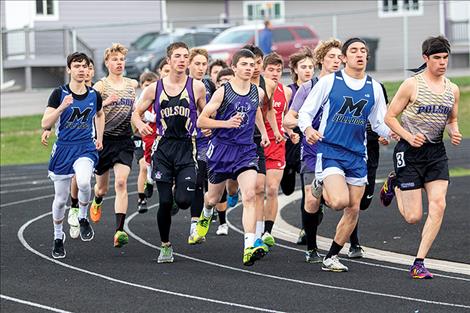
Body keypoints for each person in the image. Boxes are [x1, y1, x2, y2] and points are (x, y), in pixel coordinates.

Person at [298, 38, 393, 272]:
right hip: (330, 150)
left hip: (357, 155)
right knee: (339, 201)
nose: (359, 54)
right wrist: (308, 129)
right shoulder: (329, 82)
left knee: (353, 208)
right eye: (353, 50)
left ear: (367, 57)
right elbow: (305, 113)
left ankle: (331, 256)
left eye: (363, 51)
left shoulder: (375, 87)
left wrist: (392, 133)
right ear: (344, 57)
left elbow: (379, 122)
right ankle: (319, 182)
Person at [382, 36, 461, 279]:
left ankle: (419, 262)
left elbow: (452, 119)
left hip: (436, 153)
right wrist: (407, 135)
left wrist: (455, 131)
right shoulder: (411, 85)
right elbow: (390, 117)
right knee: (413, 217)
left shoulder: (452, 89)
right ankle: (394, 184)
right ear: (425, 58)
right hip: (409, 152)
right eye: (437, 58)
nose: (442, 63)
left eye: (445, 58)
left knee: (439, 204)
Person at [132, 42, 206, 263]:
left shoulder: (197, 87)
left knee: (183, 201)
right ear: (169, 60)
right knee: (164, 202)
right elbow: (136, 113)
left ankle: (179, 198)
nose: (182, 60)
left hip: (186, 147)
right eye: (178, 56)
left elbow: (206, 112)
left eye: (185, 56)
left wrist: (210, 125)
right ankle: (165, 246)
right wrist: (141, 125)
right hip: (163, 148)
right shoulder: (154, 88)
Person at [196, 48, 270, 266]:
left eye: (252, 65)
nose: (249, 69)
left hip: (246, 150)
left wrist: (264, 132)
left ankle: (249, 246)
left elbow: (256, 110)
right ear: (235, 67)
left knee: (249, 195)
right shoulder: (223, 92)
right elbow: (202, 121)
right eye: (244, 65)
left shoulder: (258, 92)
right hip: (221, 149)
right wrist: (225, 123)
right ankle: (206, 212)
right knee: (212, 197)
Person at [41, 52, 105, 258]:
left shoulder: (94, 95)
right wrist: (62, 107)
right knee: (60, 200)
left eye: (85, 66)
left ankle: (83, 217)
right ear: (69, 69)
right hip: (63, 149)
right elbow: (45, 123)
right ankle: (58, 237)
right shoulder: (58, 93)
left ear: (89, 70)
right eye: (77, 66)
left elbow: (100, 114)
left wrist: (100, 137)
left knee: (85, 182)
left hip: (85, 147)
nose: (81, 70)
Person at [284, 39, 342, 263]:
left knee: (339, 201)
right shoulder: (309, 87)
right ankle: (311, 248)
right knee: (310, 201)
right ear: (321, 60)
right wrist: (307, 128)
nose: (336, 62)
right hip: (311, 152)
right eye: (331, 57)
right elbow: (289, 119)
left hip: (338, 151)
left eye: (340, 58)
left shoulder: (347, 85)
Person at [90, 43, 138, 248]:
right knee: (102, 189)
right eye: (115, 60)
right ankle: (97, 200)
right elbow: (89, 109)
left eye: (121, 60)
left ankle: (119, 231)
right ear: (107, 63)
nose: (119, 63)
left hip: (124, 141)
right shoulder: (100, 86)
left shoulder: (131, 85)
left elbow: (136, 110)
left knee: (121, 182)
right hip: (104, 141)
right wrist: (105, 102)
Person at [261, 52, 298, 248]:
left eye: (278, 70)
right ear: (263, 71)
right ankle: (256, 229)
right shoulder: (256, 90)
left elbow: (284, 119)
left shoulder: (286, 92)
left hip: (277, 145)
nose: (275, 73)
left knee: (273, 189)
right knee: (258, 191)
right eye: (271, 70)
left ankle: (267, 231)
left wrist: (290, 131)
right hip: (257, 144)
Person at [282, 46, 315, 245]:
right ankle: (286, 171)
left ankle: (305, 229)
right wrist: (288, 131)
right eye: (303, 67)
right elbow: (283, 117)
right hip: (290, 140)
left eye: (311, 66)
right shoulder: (289, 91)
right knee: (287, 187)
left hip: (308, 142)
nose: (308, 70)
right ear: (295, 69)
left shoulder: (317, 87)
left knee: (307, 188)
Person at [134, 71, 159, 214]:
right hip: (140, 137)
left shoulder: (158, 100)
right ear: (142, 86)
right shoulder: (139, 101)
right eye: (146, 85)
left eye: (152, 85)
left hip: (154, 136)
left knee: (154, 163)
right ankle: (141, 198)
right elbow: (135, 118)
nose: (149, 88)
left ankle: (150, 180)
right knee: (144, 165)